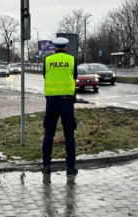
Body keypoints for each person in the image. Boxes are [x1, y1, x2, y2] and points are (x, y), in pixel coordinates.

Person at [42, 37, 78, 176]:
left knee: (49, 133)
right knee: (69, 133)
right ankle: (70, 167)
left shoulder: (48, 60)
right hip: (67, 101)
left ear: (54, 48)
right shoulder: (71, 60)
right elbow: (74, 77)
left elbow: (45, 76)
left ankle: (46, 166)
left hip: (51, 102)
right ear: (66, 48)